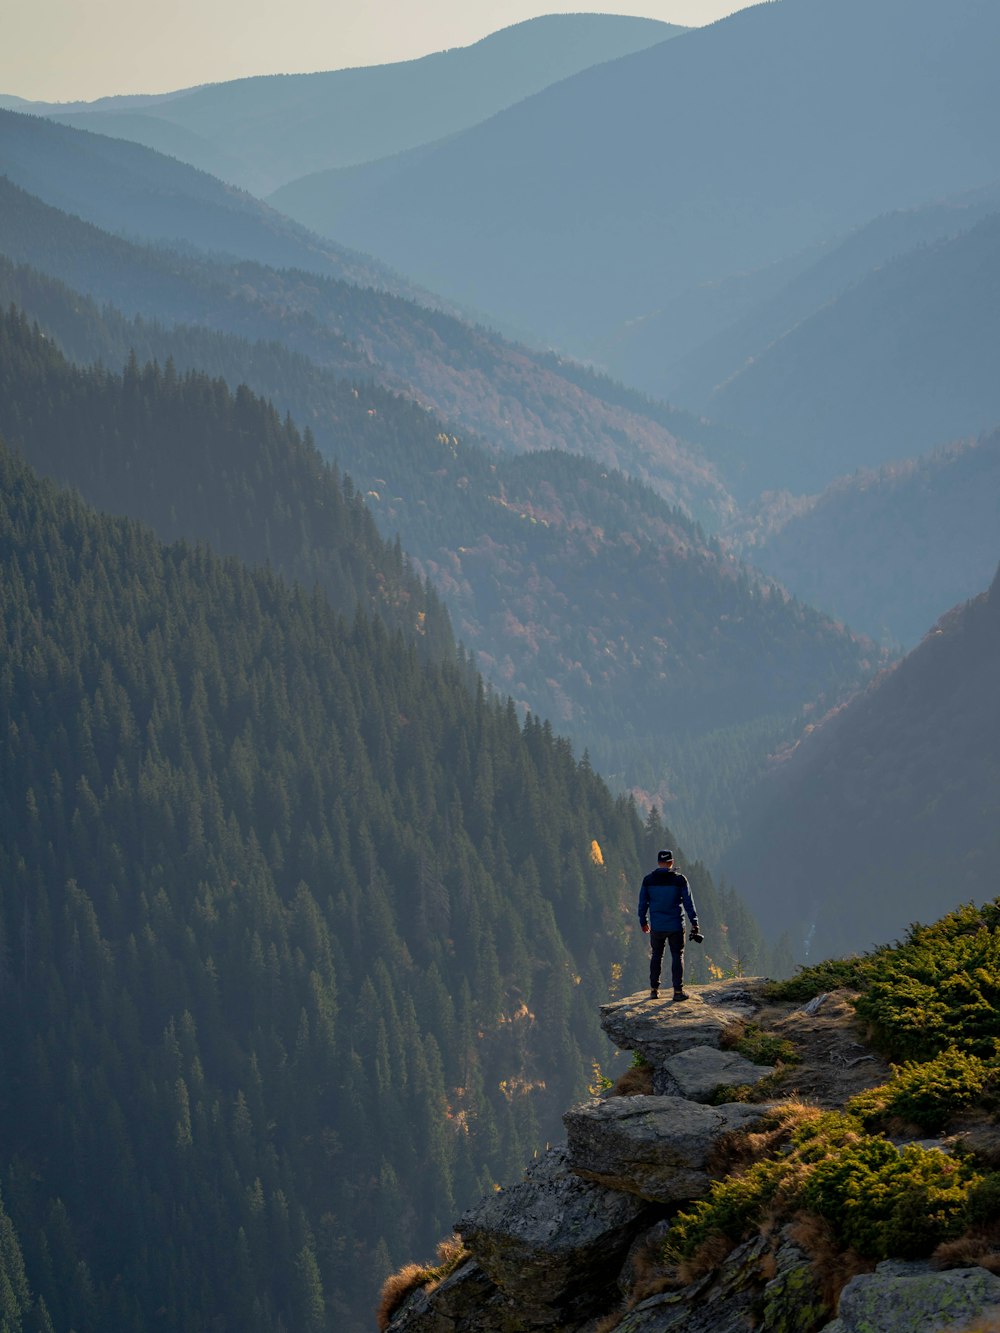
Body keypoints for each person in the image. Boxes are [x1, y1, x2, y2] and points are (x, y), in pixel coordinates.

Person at [638, 849, 700, 1001]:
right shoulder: (680, 880)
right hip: (676, 926)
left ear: (658, 862)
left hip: (657, 926)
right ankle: (678, 992)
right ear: (671, 862)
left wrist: (643, 921)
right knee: (677, 956)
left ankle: (654, 990)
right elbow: (688, 903)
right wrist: (694, 922)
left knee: (656, 956)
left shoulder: (648, 880)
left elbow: (642, 903)